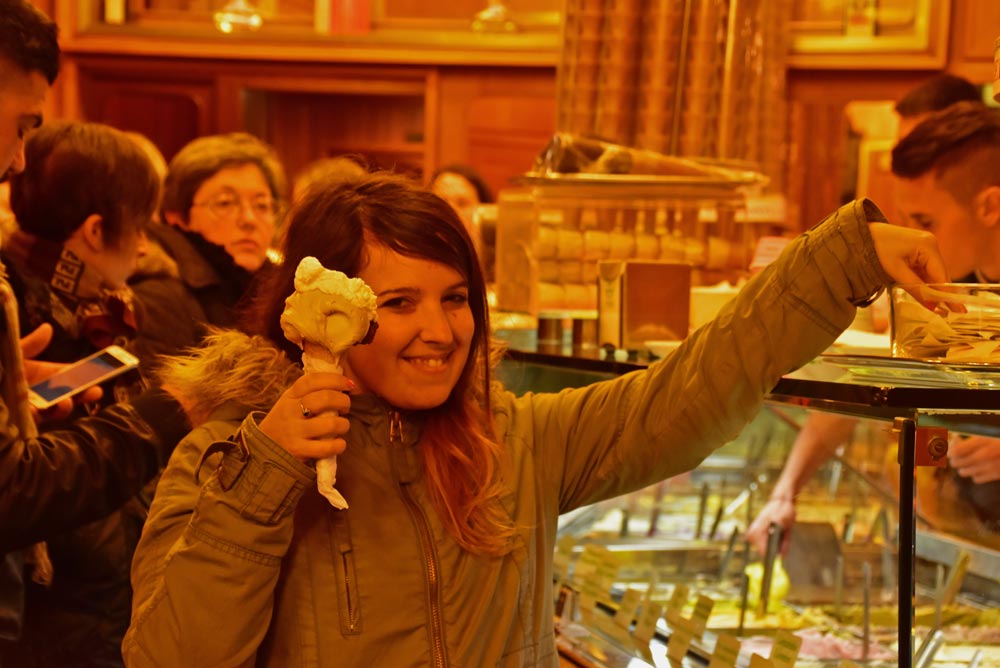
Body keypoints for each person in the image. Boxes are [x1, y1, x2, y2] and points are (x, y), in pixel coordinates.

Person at [123, 171, 946, 667]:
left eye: (455, 300)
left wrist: (845, 255)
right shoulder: (222, 462)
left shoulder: (516, 440)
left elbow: (695, 386)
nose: (440, 332)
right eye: (400, 303)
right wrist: (267, 475)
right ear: (314, 310)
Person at [0, 0, 191, 658]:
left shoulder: (91, 312)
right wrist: (170, 413)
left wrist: (19, 401)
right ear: (95, 232)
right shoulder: (49, 307)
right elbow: (15, 491)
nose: (17, 161)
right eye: (19, 126)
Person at [747, 97, 1000, 556]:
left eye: (925, 221)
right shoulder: (938, 290)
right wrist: (787, 492)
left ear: (990, 206)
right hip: (958, 539)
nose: (913, 236)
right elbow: (859, 385)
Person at [1, 119, 162, 667]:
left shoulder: (92, 306)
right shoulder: (27, 311)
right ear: (96, 231)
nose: (145, 244)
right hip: (51, 616)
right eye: (139, 224)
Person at [129, 132, 287, 362]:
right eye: (225, 203)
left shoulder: (281, 296)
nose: (249, 219)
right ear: (177, 218)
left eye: (262, 205)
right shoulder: (159, 297)